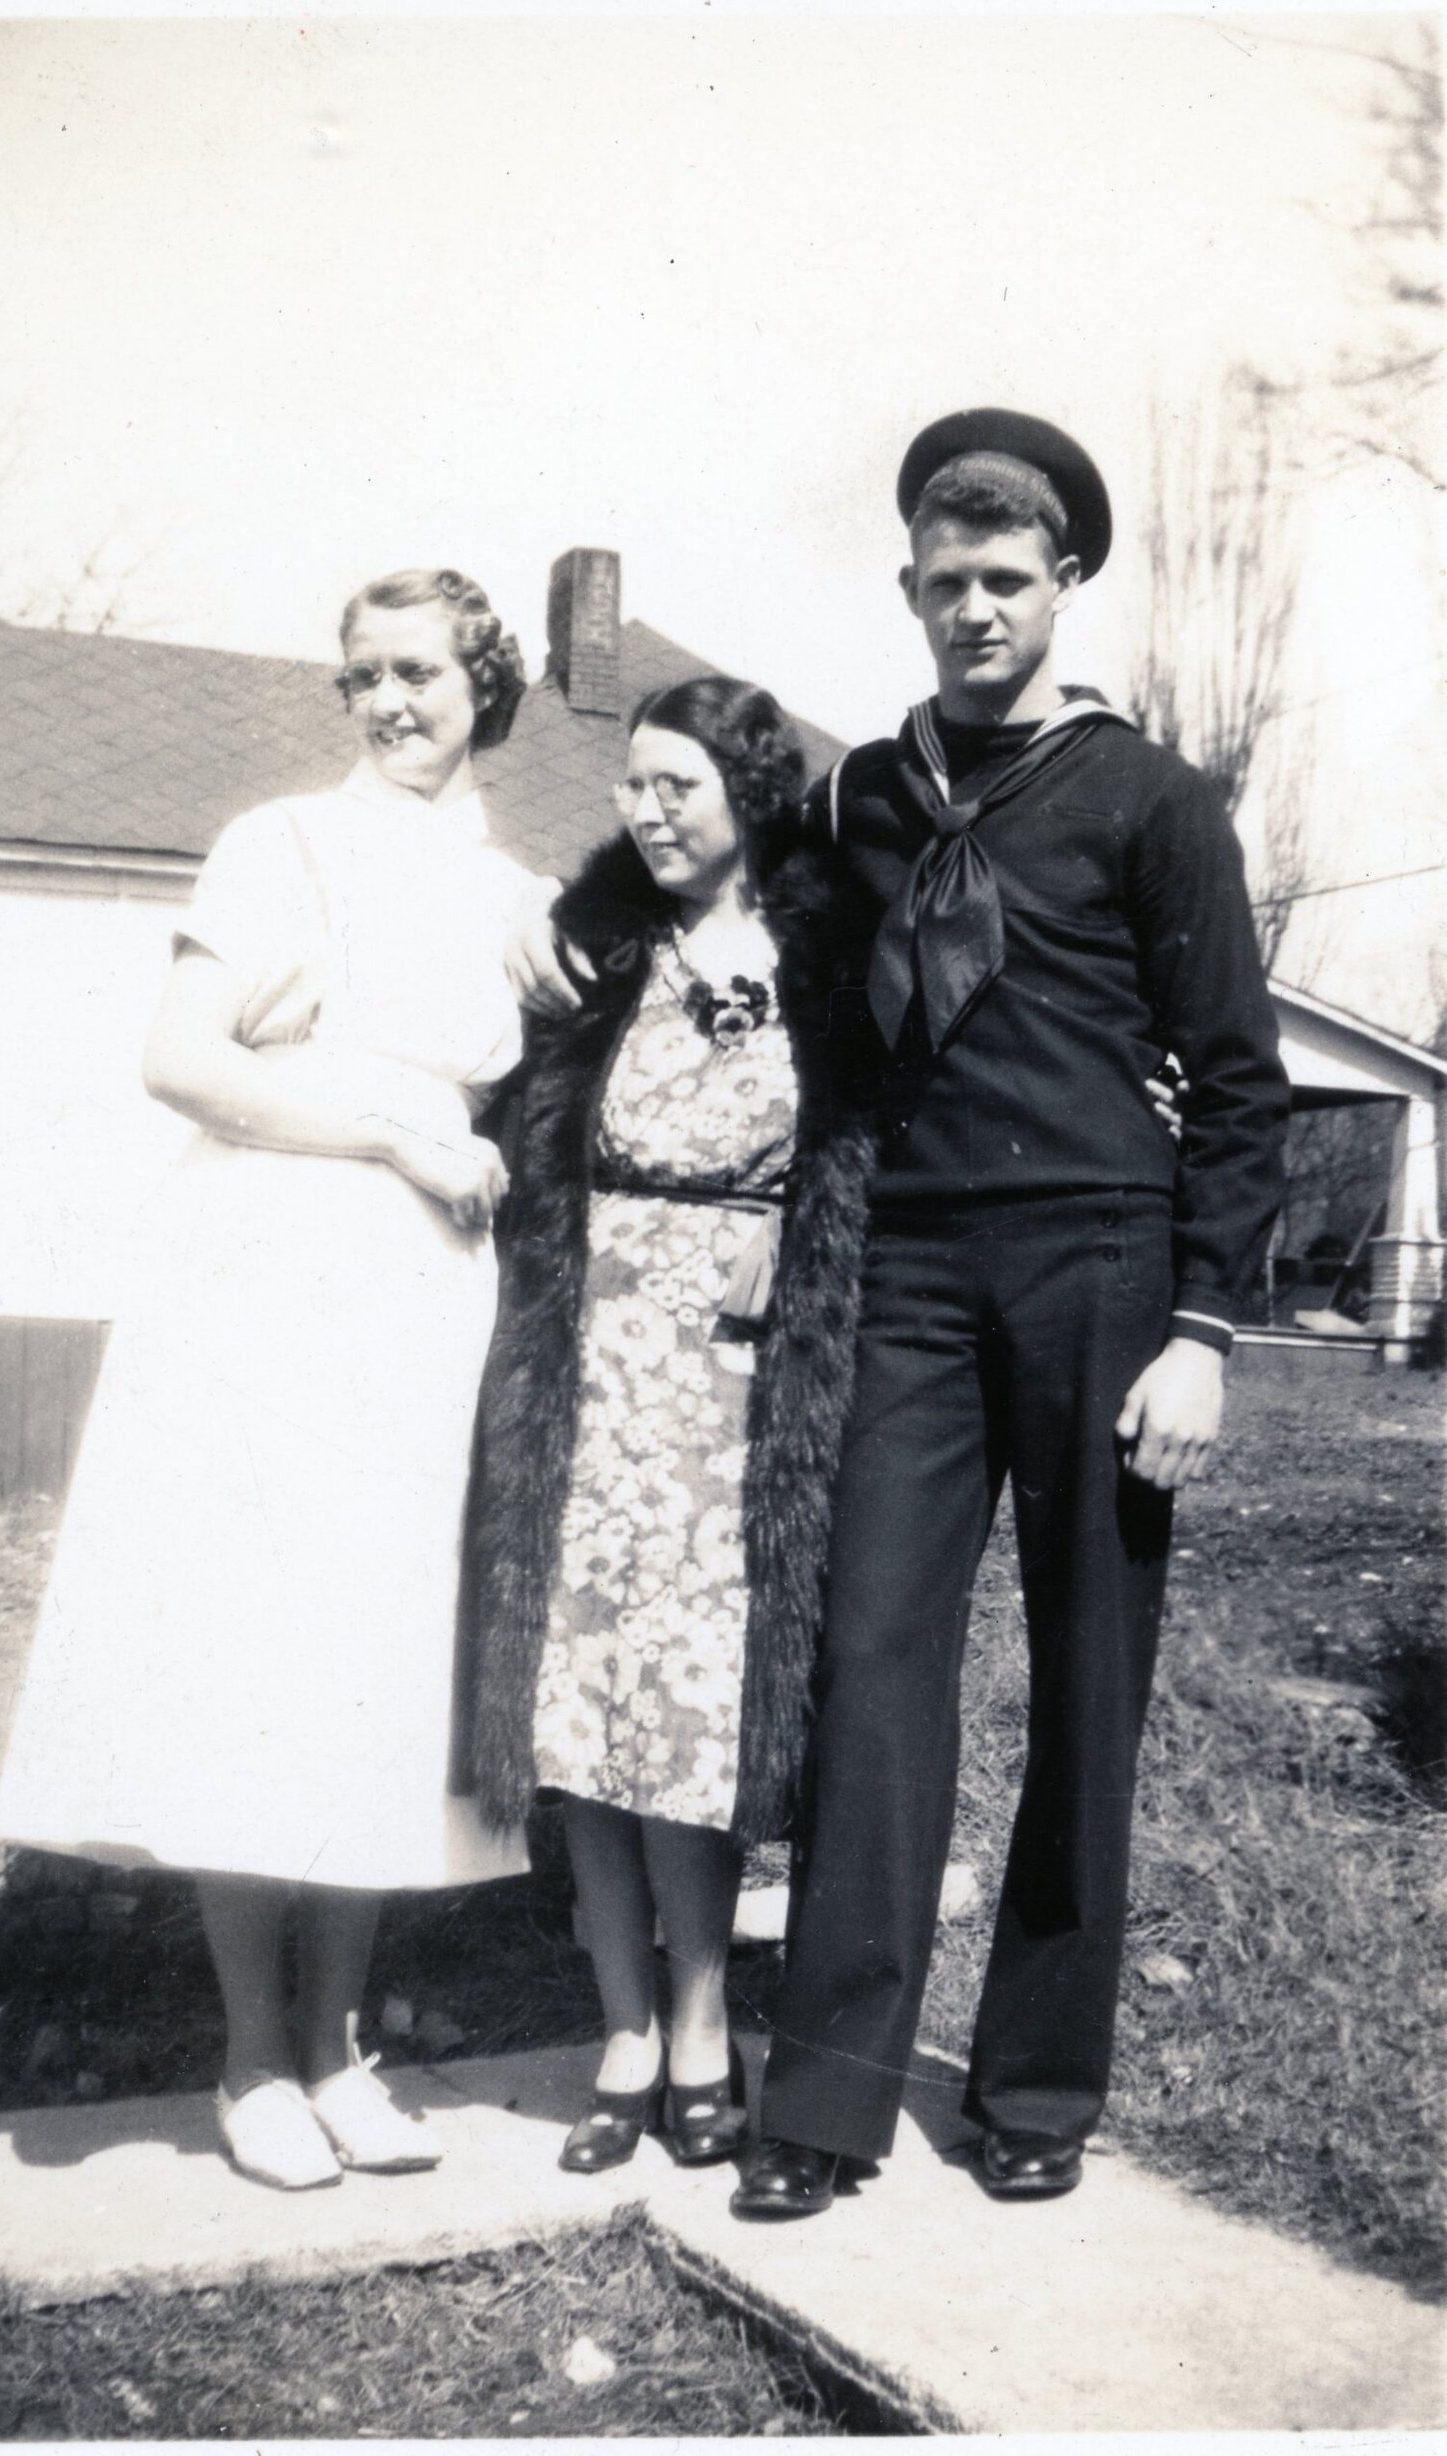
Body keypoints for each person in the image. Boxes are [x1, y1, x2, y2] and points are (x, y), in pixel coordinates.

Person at [729, 410, 1290, 2220]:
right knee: (870, 1662)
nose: (972, 611)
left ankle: (1039, 2083)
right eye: (942, 583)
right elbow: (794, 994)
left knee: (1085, 1682)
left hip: (1102, 1276)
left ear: (1063, 588)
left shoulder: (1151, 799)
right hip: (906, 1268)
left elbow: (1241, 1080)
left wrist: (1204, 1328)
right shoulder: (867, 795)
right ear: (906, 589)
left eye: (1005, 581)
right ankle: (821, 2100)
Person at [0, 568, 551, 2192]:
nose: (390, 703)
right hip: (260, 1280)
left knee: (371, 1665)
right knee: (254, 1644)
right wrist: (381, 1127)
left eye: (422, 674)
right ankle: (251, 2053)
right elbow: (179, 1058)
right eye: (365, 675)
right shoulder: (276, 843)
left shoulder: (512, 894)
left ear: (484, 686)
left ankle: (342, 2046)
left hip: (420, 1299)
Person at [466, 676, 886, 2174]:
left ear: (750, 796)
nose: (646, 813)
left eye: (678, 787)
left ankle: (705, 2024)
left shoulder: (825, 951)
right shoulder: (594, 944)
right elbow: (503, 1101)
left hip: (732, 1377)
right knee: (581, 1702)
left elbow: (869, 1136)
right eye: (632, 788)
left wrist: (797, 1226)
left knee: (694, 1715)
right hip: (587, 1357)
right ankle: (624, 2031)